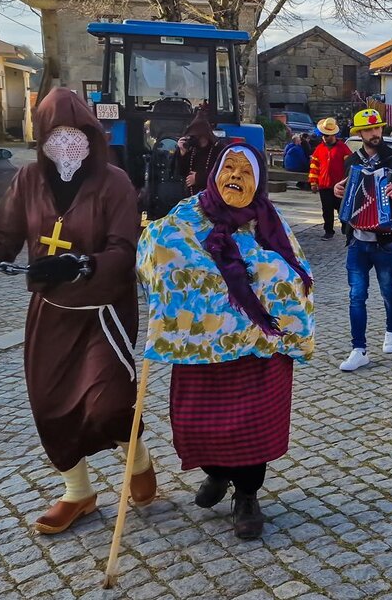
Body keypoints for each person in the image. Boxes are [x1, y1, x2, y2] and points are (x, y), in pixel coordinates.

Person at [0, 88, 155, 534]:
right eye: (54, 133)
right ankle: (78, 493)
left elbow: (124, 251)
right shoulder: (27, 181)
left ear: (90, 134)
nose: (65, 141)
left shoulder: (114, 182)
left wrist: (83, 264)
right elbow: (1, 233)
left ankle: (136, 457)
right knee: (50, 405)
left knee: (108, 403)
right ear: (41, 136)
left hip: (102, 311)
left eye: (74, 132)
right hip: (51, 311)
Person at [137, 143, 314, 540]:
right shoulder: (187, 216)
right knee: (199, 425)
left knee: (251, 427)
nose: (236, 176)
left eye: (246, 171)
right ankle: (216, 475)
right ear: (214, 173)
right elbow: (164, 255)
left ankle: (247, 495)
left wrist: (252, 271)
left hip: (256, 352)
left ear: (259, 181)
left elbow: (295, 276)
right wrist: (155, 244)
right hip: (203, 351)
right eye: (229, 168)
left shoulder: (270, 223)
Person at [333, 109, 392, 372]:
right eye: (369, 130)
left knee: (387, 290)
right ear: (359, 134)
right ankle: (358, 349)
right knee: (356, 296)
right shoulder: (352, 161)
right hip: (358, 240)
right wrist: (339, 192)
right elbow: (348, 198)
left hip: (385, 240)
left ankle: (391, 331)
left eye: (378, 128)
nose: (375, 133)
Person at [309, 117, 351, 240]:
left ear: (333, 135)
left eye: (327, 135)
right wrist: (313, 182)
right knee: (326, 210)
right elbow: (314, 167)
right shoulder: (319, 149)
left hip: (340, 186)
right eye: (323, 135)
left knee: (341, 208)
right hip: (324, 185)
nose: (324, 138)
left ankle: (345, 228)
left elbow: (349, 166)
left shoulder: (343, 148)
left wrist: (347, 182)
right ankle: (328, 231)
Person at [175, 113, 225, 197]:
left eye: (197, 136)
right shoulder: (191, 149)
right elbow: (181, 172)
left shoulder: (218, 149)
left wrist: (198, 178)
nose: (194, 138)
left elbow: (222, 174)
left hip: (212, 197)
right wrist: (182, 153)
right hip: (191, 197)